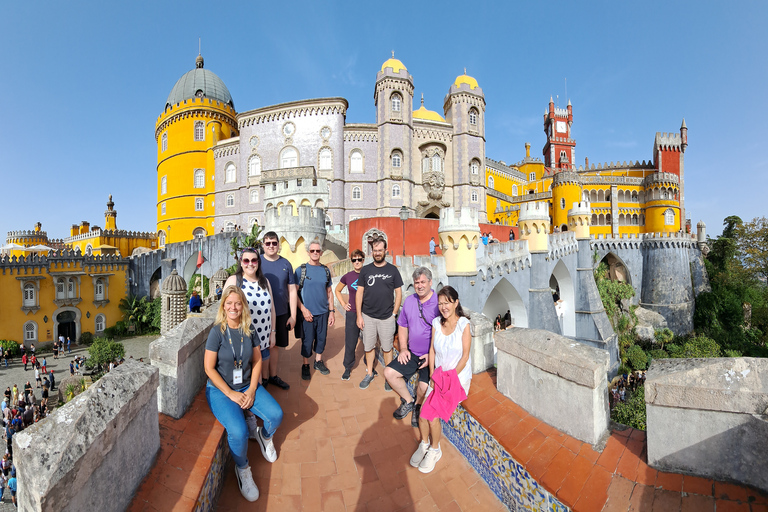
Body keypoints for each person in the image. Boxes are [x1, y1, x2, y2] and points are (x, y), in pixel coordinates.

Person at [204, 285, 283, 503]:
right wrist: (230, 393)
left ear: (243, 306)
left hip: (247, 386)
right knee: (238, 431)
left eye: (237, 303)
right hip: (221, 390)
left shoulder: (249, 329)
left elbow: (258, 360)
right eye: (229, 303)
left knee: (276, 415)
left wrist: (250, 389)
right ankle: (243, 469)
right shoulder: (217, 332)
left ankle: (264, 436)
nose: (233, 307)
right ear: (223, 306)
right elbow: (209, 368)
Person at [410, 286, 472, 474]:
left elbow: (465, 356)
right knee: (422, 413)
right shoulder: (437, 322)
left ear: (456, 303)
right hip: (437, 377)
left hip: (456, 378)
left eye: (447, 302)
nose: (444, 306)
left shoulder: (463, 325)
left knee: (432, 416)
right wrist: (431, 375)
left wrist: (448, 378)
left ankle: (435, 450)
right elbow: (432, 351)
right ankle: (424, 443)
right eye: (441, 303)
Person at [384, 267, 439, 428]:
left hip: (431, 355)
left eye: (423, 282)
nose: (420, 286)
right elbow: (402, 326)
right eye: (416, 283)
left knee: (423, 386)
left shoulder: (438, 303)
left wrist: (432, 355)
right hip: (412, 353)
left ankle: (417, 407)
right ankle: (408, 401)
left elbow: (445, 333)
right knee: (389, 372)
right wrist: (403, 349)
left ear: (430, 282)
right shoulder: (409, 301)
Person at [356, 238, 403, 390]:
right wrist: (359, 315)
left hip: (387, 317)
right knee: (368, 347)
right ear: (372, 252)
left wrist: (394, 314)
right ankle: (369, 373)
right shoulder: (366, 270)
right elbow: (360, 293)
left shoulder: (392, 270)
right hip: (368, 316)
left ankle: (388, 378)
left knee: (387, 348)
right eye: (375, 250)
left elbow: (398, 293)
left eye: (380, 250)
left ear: (385, 251)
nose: (377, 253)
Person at [260, 231, 298, 390]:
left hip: (282, 312)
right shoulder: (257, 262)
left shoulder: (285, 264)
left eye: (274, 243)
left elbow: (292, 291)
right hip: (260, 312)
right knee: (260, 346)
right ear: (263, 245)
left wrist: (293, 316)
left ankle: (273, 375)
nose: (271, 246)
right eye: (267, 243)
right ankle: (263, 378)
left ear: (278, 245)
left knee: (274, 346)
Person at [295, 241, 335, 380]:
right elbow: (293, 294)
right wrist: (303, 309)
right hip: (308, 313)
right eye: (312, 251)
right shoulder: (301, 270)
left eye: (318, 251)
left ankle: (318, 361)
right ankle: (305, 365)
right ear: (308, 252)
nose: (315, 253)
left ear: (321, 253)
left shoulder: (325, 270)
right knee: (307, 340)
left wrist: (332, 312)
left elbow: (329, 292)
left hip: (323, 312)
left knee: (321, 339)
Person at [335, 249, 365, 381]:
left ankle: (370, 366)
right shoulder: (348, 276)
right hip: (352, 312)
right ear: (351, 261)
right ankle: (348, 366)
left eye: (359, 259)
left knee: (370, 341)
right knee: (351, 340)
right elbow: (337, 290)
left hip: (367, 312)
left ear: (363, 260)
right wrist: (343, 303)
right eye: (354, 260)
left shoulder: (368, 275)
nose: (357, 262)